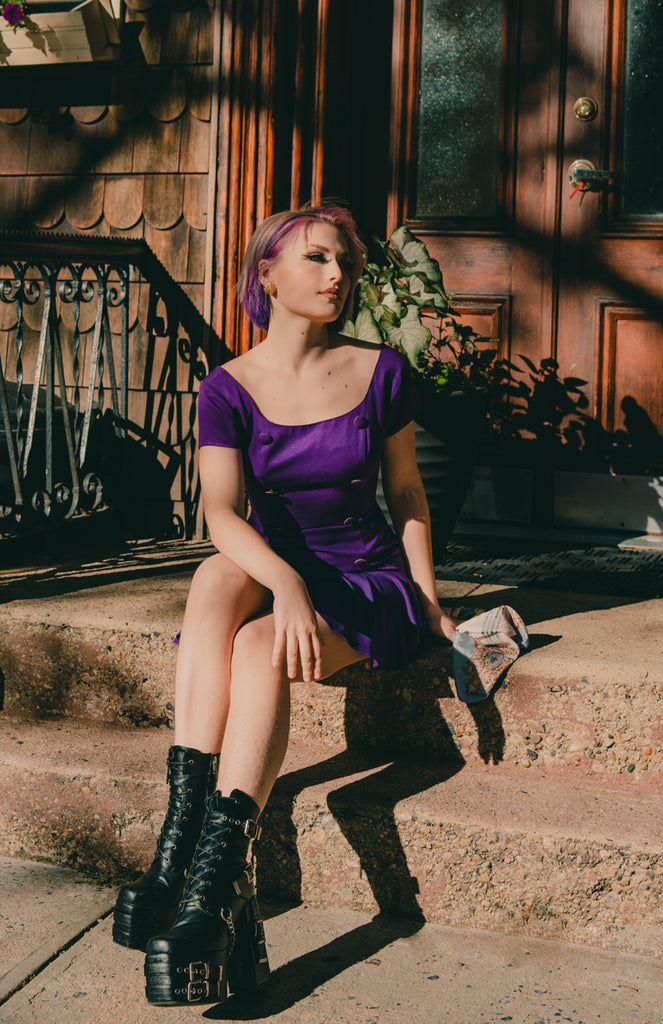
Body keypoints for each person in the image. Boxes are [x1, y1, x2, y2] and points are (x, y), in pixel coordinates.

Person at [112, 203, 457, 1005]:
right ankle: (187, 842)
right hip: (284, 571)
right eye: (317, 259)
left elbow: (406, 491)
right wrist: (288, 582)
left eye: (346, 262)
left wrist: (430, 602)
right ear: (266, 273)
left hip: (367, 580)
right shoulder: (228, 388)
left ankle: (210, 869)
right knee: (212, 577)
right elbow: (222, 513)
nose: (339, 275)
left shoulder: (381, 372)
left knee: (257, 645)